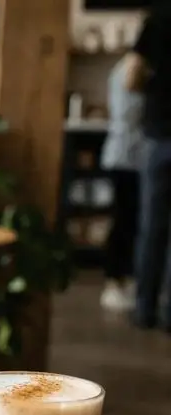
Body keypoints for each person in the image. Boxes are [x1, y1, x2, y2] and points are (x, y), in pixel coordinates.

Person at [125, 2, 171, 330]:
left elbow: (131, 77)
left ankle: (144, 310)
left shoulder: (159, 16)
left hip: (160, 132)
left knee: (152, 226)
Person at [100, 55, 144, 312]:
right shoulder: (130, 69)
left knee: (127, 221)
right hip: (126, 155)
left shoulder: (126, 66)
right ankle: (114, 283)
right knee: (124, 222)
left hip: (128, 154)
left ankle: (122, 281)